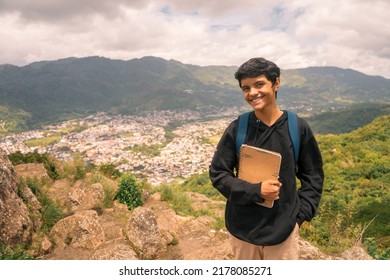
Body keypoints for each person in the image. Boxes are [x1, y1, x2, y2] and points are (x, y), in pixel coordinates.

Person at [209, 57, 324, 260]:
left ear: (276, 83)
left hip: (283, 234)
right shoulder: (238, 129)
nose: (252, 93)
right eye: (246, 88)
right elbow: (218, 174)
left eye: (259, 84)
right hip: (243, 232)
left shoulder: (297, 128)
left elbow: (313, 176)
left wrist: (299, 217)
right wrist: (256, 191)